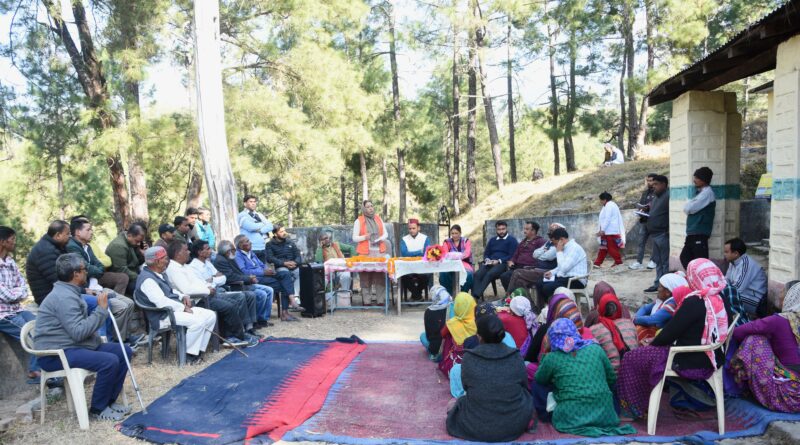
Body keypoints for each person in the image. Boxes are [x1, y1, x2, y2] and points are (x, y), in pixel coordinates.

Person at [617, 258, 729, 419]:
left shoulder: (694, 301)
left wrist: (652, 343)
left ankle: (633, 409)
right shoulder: (720, 297)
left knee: (631, 357)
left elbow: (669, 334)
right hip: (713, 355)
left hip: (688, 359)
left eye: (690, 275)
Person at [34, 253, 132, 421]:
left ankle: (108, 402)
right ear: (76, 274)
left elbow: (78, 331)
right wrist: (101, 310)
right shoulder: (64, 297)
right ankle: (98, 409)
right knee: (109, 361)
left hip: (72, 345)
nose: (87, 272)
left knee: (123, 351)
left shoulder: (70, 292)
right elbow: (78, 332)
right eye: (84, 269)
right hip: (55, 354)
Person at [534, 319, 636, 437]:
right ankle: (610, 410)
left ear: (551, 337)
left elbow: (540, 379)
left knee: (537, 383)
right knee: (610, 384)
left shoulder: (551, 358)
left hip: (569, 420)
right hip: (606, 416)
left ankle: (545, 416)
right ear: (575, 331)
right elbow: (612, 378)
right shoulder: (596, 349)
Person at [446, 314, 533, 443]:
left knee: (455, 405)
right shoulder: (516, 356)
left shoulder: (469, 358)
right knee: (526, 396)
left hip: (476, 425)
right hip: (513, 424)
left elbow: (466, 387)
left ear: (479, 337)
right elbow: (524, 384)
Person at [135, 247, 216, 363]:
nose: (167, 261)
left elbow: (170, 290)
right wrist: (183, 308)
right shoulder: (147, 280)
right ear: (157, 261)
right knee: (198, 321)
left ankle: (198, 351)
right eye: (165, 258)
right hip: (162, 316)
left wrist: (182, 296)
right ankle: (189, 356)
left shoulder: (158, 273)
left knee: (210, 315)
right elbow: (161, 302)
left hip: (173, 311)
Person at [729, 281, 800, 413]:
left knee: (755, 340)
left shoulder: (779, 320)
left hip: (788, 397)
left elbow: (738, 332)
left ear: (791, 298)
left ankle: (741, 385)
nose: (779, 297)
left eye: (783, 294)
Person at [165, 241, 252, 348]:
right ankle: (233, 337)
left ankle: (236, 335)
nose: (189, 252)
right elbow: (187, 290)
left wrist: (207, 286)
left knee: (234, 301)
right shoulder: (174, 269)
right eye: (186, 250)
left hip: (204, 296)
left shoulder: (185, 266)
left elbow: (200, 281)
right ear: (177, 253)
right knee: (229, 306)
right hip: (195, 301)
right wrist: (207, 290)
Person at [66, 217, 137, 343]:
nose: (91, 232)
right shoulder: (72, 247)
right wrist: (95, 269)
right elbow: (88, 268)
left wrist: (95, 269)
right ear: (78, 232)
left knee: (130, 303)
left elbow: (98, 266)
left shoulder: (87, 246)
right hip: (88, 290)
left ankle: (122, 338)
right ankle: (115, 341)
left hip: (97, 286)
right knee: (122, 307)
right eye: (88, 230)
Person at [189, 241, 261, 344]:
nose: (211, 251)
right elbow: (204, 285)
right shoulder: (193, 267)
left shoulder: (208, 263)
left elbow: (223, 278)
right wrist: (215, 279)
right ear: (200, 252)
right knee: (240, 297)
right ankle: (240, 332)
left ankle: (247, 328)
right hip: (209, 295)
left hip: (219, 289)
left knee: (247, 295)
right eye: (208, 249)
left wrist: (212, 279)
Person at [0, 226, 40, 383]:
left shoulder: (10, 262)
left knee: (41, 326)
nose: (14, 243)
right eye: (12, 239)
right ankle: (35, 371)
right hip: (3, 314)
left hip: (17, 309)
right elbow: (5, 295)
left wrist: (16, 293)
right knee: (28, 333)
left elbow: (23, 286)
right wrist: (16, 293)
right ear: (3, 242)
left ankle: (41, 369)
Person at [234, 235, 300, 321]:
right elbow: (244, 271)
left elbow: (261, 264)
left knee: (285, 274)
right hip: (256, 278)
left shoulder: (251, 253)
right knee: (284, 285)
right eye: (247, 241)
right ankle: (285, 312)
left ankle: (291, 301)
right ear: (240, 245)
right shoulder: (238, 255)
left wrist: (267, 270)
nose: (250, 242)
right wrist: (263, 272)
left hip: (264, 274)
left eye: (248, 240)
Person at [215, 240, 274, 327]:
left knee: (269, 290)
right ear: (228, 251)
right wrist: (248, 279)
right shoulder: (221, 260)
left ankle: (263, 319)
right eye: (233, 249)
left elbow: (239, 273)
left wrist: (250, 277)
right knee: (262, 294)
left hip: (244, 282)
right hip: (235, 286)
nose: (235, 251)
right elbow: (231, 277)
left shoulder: (229, 257)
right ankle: (255, 321)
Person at [506, 223, 563, 302]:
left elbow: (549, 256)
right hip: (536, 269)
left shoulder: (559, 244)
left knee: (517, 272)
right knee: (519, 281)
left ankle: (507, 298)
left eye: (552, 231)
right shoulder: (548, 243)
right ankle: (531, 306)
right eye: (550, 231)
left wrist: (541, 254)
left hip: (547, 272)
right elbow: (534, 254)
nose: (550, 233)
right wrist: (543, 252)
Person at [584, 292, 638, 370]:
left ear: (600, 309)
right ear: (619, 307)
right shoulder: (630, 324)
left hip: (612, 374)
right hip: (633, 372)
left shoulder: (594, 330)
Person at [351, 200, 389, 305]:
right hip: (365, 253)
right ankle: (366, 301)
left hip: (379, 252)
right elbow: (354, 238)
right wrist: (365, 237)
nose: (371, 208)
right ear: (364, 209)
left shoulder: (378, 218)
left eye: (371, 206)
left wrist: (381, 238)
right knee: (365, 277)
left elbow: (385, 233)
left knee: (380, 276)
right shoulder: (359, 221)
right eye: (368, 207)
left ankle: (380, 301)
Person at [634, 274, 689, 344]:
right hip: (657, 332)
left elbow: (651, 320)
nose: (658, 289)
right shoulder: (661, 300)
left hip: (662, 337)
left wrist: (635, 319)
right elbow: (645, 308)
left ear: (667, 292)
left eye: (660, 287)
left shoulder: (672, 304)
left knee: (636, 330)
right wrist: (636, 318)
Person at [536, 228, 588, 302]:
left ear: (561, 240)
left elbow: (564, 268)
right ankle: (545, 306)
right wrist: (552, 272)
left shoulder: (574, 248)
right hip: (566, 277)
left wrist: (559, 252)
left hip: (576, 280)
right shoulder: (566, 247)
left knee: (547, 288)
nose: (555, 246)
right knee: (539, 283)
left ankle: (554, 306)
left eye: (555, 243)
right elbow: (562, 266)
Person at [26, 220, 70, 305]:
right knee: (94, 303)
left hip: (59, 294)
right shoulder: (46, 251)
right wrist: (83, 290)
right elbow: (58, 281)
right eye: (67, 234)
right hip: (49, 299)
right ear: (58, 235)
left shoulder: (57, 246)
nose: (70, 236)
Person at [471, 221, 518, 300]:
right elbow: (486, 253)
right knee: (477, 274)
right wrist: (488, 260)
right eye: (499, 229)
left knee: (490, 273)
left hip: (503, 264)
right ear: (496, 230)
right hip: (490, 263)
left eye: (503, 229)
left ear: (506, 229)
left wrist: (498, 261)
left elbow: (512, 255)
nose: (501, 231)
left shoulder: (512, 240)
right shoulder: (492, 240)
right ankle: (474, 296)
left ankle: (476, 296)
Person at [680, 166, 715, 269]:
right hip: (693, 232)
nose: (694, 180)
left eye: (696, 178)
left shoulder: (707, 194)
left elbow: (688, 208)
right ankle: (693, 276)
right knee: (686, 258)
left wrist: (689, 206)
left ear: (703, 179)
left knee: (700, 262)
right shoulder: (701, 193)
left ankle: (700, 278)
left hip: (699, 232)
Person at [724, 238, 768, 318]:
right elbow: (726, 280)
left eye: (726, 252)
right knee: (720, 295)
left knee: (725, 298)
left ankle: (740, 321)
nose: (724, 254)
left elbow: (738, 288)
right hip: (744, 295)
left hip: (755, 300)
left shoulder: (746, 264)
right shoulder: (732, 262)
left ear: (736, 253)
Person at [500, 221, 546, 294]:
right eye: (524, 229)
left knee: (516, 279)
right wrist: (511, 261)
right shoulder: (523, 242)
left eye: (527, 229)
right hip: (517, 267)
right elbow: (516, 255)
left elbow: (542, 257)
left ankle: (516, 296)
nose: (524, 231)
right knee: (504, 276)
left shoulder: (540, 241)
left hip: (529, 269)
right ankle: (512, 296)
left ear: (533, 231)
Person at [438, 292, 477, 377]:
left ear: (456, 307)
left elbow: (441, 334)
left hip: (455, 363)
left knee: (448, 336)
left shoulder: (452, 323)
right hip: (475, 361)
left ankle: (445, 359)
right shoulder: (476, 322)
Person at [643, 175, 670, 293]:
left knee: (665, 262)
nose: (653, 187)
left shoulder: (668, 196)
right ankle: (658, 284)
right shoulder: (656, 197)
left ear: (663, 184)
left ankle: (665, 286)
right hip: (655, 234)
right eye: (653, 184)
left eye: (656, 184)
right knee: (658, 261)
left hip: (663, 234)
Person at [265, 224, 302, 296]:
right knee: (285, 273)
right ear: (275, 234)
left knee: (301, 272)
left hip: (293, 266)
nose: (284, 233)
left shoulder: (290, 242)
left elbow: (298, 255)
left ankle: (296, 296)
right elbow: (270, 258)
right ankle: (293, 297)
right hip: (280, 267)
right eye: (281, 232)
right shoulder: (270, 244)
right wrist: (284, 263)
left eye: (284, 231)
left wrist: (295, 263)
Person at [630, 173, 657, 270]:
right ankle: (638, 261)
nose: (649, 182)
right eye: (648, 180)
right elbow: (641, 204)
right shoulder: (645, 192)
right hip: (644, 221)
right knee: (641, 242)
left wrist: (648, 208)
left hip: (654, 221)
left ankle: (653, 261)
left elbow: (658, 205)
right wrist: (640, 209)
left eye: (651, 180)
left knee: (655, 243)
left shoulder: (658, 192)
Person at [105, 223, 147, 287]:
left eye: (140, 241)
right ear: (129, 235)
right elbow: (121, 270)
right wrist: (140, 277)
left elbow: (136, 262)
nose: (138, 244)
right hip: (123, 279)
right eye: (137, 241)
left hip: (132, 274)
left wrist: (143, 254)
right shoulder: (119, 246)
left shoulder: (130, 241)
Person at [400, 219, 431, 301]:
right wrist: (419, 251)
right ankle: (418, 296)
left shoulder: (425, 238)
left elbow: (426, 252)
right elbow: (404, 253)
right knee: (404, 277)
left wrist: (412, 253)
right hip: (408, 267)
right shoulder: (404, 239)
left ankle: (415, 296)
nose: (411, 230)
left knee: (426, 276)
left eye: (413, 228)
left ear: (418, 228)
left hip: (422, 266)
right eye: (410, 228)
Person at [420, 285, 453, 360]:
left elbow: (429, 334)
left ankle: (434, 354)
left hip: (436, 349)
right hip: (451, 348)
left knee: (423, 336)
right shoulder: (452, 307)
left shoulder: (428, 311)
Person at [593, 192, 625, 268]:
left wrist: (602, 230)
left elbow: (607, 219)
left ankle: (618, 262)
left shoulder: (609, 206)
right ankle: (597, 263)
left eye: (601, 200)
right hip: (607, 231)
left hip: (610, 231)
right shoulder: (609, 205)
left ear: (604, 200)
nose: (600, 202)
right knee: (603, 247)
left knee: (611, 248)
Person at [238, 195, 273, 263]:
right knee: (253, 268)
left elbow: (270, 226)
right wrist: (263, 223)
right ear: (245, 204)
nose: (253, 203)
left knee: (263, 269)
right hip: (250, 248)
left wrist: (260, 230)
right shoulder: (242, 215)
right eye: (251, 202)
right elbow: (251, 227)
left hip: (262, 247)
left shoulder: (259, 215)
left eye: (254, 202)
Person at [439, 225, 473, 293]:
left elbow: (467, 253)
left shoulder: (466, 241)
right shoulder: (447, 242)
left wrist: (455, 256)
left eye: (456, 233)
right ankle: (450, 293)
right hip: (450, 264)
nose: (454, 235)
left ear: (460, 233)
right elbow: (445, 254)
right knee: (443, 274)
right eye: (452, 233)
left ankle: (463, 293)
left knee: (468, 275)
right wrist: (457, 256)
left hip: (464, 264)